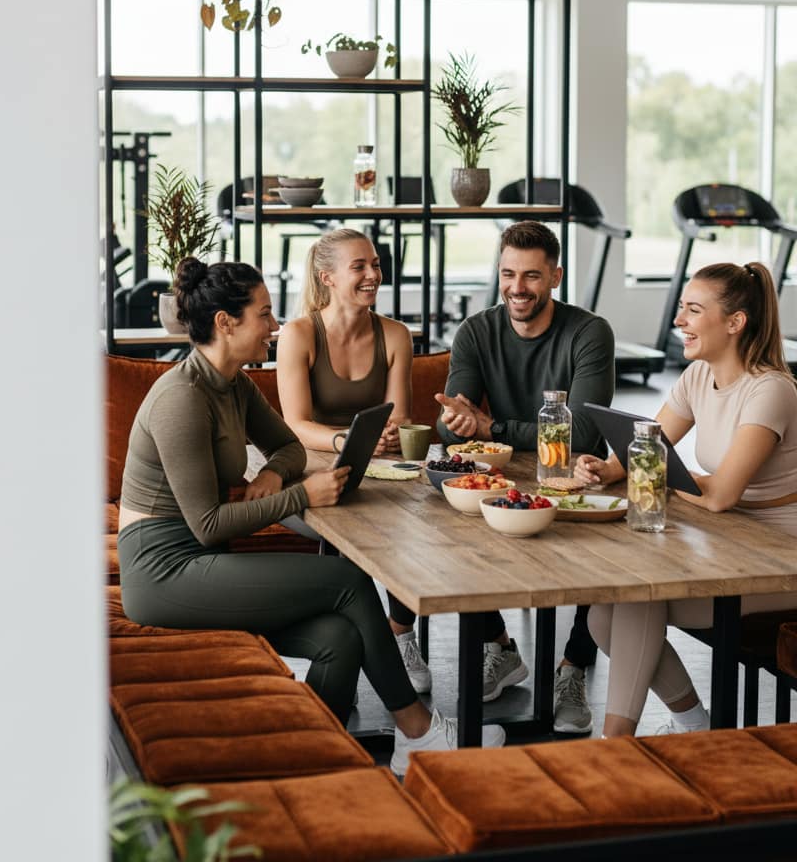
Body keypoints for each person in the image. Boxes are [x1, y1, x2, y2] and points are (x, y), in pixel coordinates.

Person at [117, 257, 504, 776]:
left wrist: (275, 477)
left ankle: (310, 761)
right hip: (163, 571)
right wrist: (300, 498)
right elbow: (206, 524)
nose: (275, 328)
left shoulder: (234, 383)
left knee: (337, 640)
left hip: (202, 558)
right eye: (264, 315)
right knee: (345, 579)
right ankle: (419, 731)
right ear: (225, 323)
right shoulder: (182, 398)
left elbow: (288, 447)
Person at [575, 261, 797, 738]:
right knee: (601, 617)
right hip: (740, 548)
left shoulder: (771, 390)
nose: (679, 321)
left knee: (637, 601)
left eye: (693, 310)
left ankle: (615, 747)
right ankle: (693, 724)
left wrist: (652, 469)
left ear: (735, 323)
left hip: (783, 562)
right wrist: (607, 468)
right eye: (681, 308)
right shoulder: (698, 377)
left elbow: (718, 497)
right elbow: (648, 446)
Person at [435, 220, 616, 734]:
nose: (518, 288)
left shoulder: (588, 331)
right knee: (451, 524)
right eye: (509, 274)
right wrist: (462, 423)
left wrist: (492, 428)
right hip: (506, 477)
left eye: (532, 276)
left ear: (555, 276)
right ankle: (498, 646)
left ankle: (573, 668)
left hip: (581, 477)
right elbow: (458, 429)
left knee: (607, 555)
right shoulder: (475, 330)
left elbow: (581, 433)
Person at [276, 228, 432, 692]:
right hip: (313, 468)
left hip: (379, 468)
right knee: (355, 522)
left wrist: (386, 435)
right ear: (327, 277)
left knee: (414, 515)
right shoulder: (298, 334)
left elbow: (400, 416)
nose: (373, 275)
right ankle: (343, 645)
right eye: (359, 266)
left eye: (376, 264)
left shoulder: (395, 335)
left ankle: (401, 636)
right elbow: (296, 424)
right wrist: (347, 439)